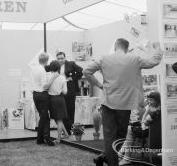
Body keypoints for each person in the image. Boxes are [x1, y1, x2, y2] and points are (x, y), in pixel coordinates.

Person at [83, 38, 163, 166]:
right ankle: (108, 159)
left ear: (115, 46)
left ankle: (106, 157)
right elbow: (153, 61)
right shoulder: (134, 59)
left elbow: (86, 71)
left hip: (108, 102)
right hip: (126, 104)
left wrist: (99, 85)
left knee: (110, 136)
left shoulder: (104, 58)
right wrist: (158, 48)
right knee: (121, 135)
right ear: (127, 48)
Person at [30, 52, 59, 146]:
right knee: (44, 117)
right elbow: (45, 86)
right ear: (47, 61)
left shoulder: (33, 69)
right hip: (42, 95)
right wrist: (53, 78)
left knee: (44, 116)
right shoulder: (42, 71)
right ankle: (46, 137)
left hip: (35, 94)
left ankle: (40, 138)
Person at [56, 52, 83, 135]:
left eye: (62, 58)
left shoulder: (71, 64)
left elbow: (81, 71)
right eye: (58, 58)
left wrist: (73, 78)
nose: (60, 60)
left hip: (70, 90)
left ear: (65, 58)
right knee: (62, 111)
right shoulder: (55, 66)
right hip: (60, 90)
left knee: (70, 110)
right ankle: (64, 130)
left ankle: (70, 129)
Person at [47, 60, 70, 144]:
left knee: (58, 120)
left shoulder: (49, 77)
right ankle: (66, 134)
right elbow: (65, 92)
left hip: (52, 99)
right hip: (60, 99)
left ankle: (58, 139)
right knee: (59, 119)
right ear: (59, 68)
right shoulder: (62, 78)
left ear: (51, 67)